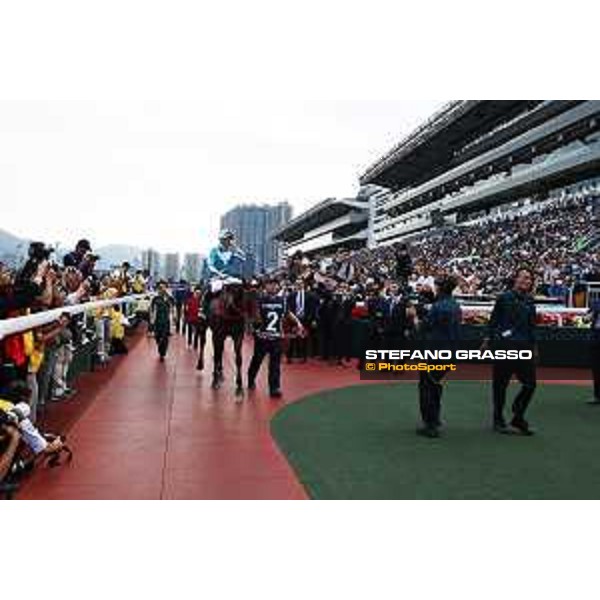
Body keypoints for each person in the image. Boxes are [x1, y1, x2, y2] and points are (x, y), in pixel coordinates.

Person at [483, 267, 538, 435]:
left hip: (524, 347)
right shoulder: (504, 298)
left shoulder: (530, 301)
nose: (526, 281)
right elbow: (493, 321)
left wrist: (534, 347)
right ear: (515, 279)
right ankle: (498, 419)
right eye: (523, 277)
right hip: (504, 347)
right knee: (500, 384)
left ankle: (517, 415)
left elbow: (531, 326)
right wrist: (488, 340)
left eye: (529, 278)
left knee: (530, 384)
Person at [416, 276, 461, 438]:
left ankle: (430, 424)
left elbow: (423, 327)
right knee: (435, 385)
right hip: (449, 352)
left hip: (434, 352)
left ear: (440, 288)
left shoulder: (438, 307)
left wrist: (416, 316)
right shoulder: (455, 305)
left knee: (427, 387)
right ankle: (434, 419)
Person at [247, 277, 304, 398]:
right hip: (262, 337)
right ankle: (250, 378)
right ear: (265, 287)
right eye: (269, 285)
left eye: (274, 285)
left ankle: (274, 388)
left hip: (277, 337)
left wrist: (298, 323)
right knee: (257, 360)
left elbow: (288, 313)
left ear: (278, 287)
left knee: (275, 364)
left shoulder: (282, 301)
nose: (272, 287)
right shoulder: (260, 300)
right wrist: (254, 328)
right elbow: (253, 316)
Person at [150, 281, 174, 361]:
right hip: (157, 321)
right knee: (157, 337)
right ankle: (160, 348)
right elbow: (152, 310)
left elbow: (173, 307)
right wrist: (151, 322)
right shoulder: (155, 299)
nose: (162, 289)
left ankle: (162, 353)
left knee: (164, 338)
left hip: (166, 322)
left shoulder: (169, 298)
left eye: (164, 287)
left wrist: (174, 318)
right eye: (160, 288)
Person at [588, 298, 600, 405]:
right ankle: (597, 396)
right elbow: (587, 318)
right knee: (596, 369)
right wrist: (589, 317)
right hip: (596, 338)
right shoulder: (595, 303)